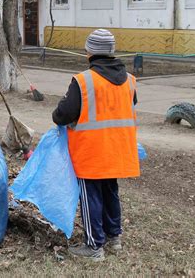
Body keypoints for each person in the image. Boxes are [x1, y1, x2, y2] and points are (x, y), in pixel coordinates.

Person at [52, 29, 140, 261]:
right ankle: (114, 238)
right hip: (118, 150)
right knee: (111, 192)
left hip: (91, 151)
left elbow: (62, 115)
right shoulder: (130, 81)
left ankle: (94, 246)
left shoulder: (83, 80)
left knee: (90, 197)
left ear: (89, 52)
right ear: (112, 52)